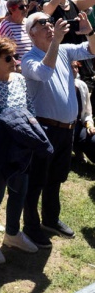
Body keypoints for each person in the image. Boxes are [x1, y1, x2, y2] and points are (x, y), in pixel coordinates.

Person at [21, 12, 95, 247]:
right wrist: (55, 42)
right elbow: (44, 72)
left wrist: (90, 32)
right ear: (31, 32)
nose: (49, 26)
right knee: (36, 180)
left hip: (66, 129)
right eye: (42, 23)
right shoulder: (28, 59)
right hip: (44, 129)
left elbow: (92, 50)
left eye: (50, 22)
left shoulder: (63, 50)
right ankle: (31, 226)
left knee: (56, 178)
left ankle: (50, 219)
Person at [0, 37, 39, 265]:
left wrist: (26, 125)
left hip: (22, 146)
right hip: (0, 148)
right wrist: (22, 121)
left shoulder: (20, 80)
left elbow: (30, 108)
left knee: (20, 190)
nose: (14, 61)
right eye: (8, 58)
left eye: (15, 56)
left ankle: (12, 233)